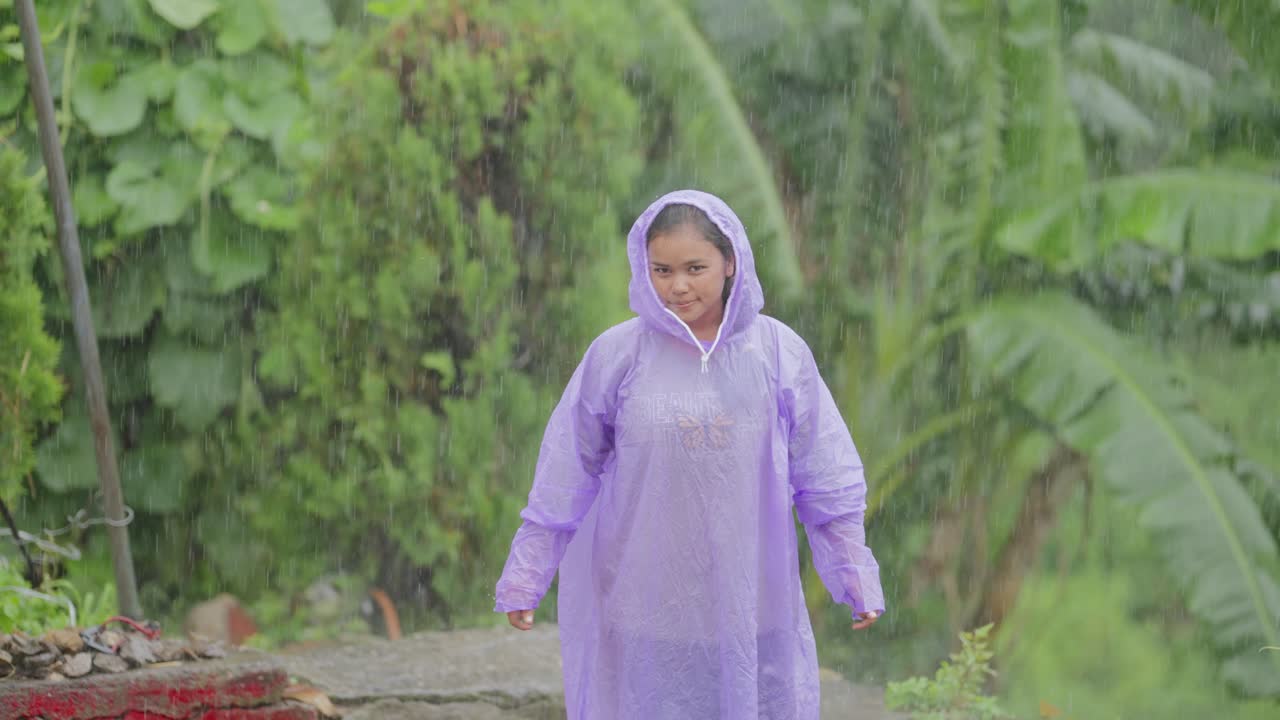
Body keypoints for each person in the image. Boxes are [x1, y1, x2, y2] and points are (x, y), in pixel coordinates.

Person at [493, 189, 884, 719]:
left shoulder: (776, 353)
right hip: (644, 610)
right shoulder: (617, 354)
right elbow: (568, 470)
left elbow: (825, 474)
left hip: (750, 610)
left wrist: (853, 571)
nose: (677, 286)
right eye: (661, 269)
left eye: (694, 267)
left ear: (730, 262)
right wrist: (527, 574)